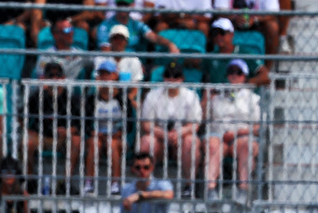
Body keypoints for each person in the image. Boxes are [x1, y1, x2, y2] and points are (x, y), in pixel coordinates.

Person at [138, 61, 202, 197]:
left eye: (176, 76)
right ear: (163, 77)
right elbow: (147, 125)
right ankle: (146, 183)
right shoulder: (153, 95)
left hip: (181, 139)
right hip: (160, 139)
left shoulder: (191, 96)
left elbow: (195, 124)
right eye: (168, 75)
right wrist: (163, 134)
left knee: (191, 141)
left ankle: (189, 185)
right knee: (147, 141)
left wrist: (179, 133)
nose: (171, 79)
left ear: (182, 79)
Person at [204, 59, 262, 201]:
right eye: (231, 72)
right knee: (212, 145)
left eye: (239, 73)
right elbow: (202, 119)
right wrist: (206, 97)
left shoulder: (253, 99)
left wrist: (238, 133)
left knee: (246, 145)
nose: (234, 76)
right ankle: (210, 189)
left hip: (242, 135)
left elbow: (259, 127)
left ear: (245, 76)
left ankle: (243, 190)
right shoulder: (216, 97)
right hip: (218, 136)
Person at [23, 60, 82, 193]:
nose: (54, 79)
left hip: (61, 139)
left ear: (63, 78)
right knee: (26, 142)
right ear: (44, 78)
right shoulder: (37, 96)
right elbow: (22, 116)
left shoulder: (70, 97)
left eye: (57, 76)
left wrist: (68, 131)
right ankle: (30, 180)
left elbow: (79, 125)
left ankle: (65, 182)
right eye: (51, 76)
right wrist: (29, 131)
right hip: (41, 137)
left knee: (76, 140)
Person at [82, 59, 130, 195]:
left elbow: (130, 123)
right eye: (102, 74)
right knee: (94, 143)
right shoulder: (92, 99)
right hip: (98, 135)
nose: (104, 78)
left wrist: (119, 132)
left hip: (116, 137)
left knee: (112, 144)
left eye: (107, 74)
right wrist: (93, 132)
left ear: (115, 76)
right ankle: (89, 182)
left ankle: (115, 183)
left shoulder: (122, 98)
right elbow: (85, 123)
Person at [97, 0, 181, 53]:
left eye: (126, 4)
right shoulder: (105, 25)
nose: (123, 7)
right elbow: (106, 51)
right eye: (120, 4)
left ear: (133, 4)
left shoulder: (136, 24)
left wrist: (170, 44)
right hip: (113, 62)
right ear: (116, 4)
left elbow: (154, 37)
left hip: (134, 63)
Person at [213, 0, 280, 59]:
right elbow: (220, 11)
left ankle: (267, 68)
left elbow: (273, 13)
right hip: (231, 22)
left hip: (257, 23)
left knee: (272, 26)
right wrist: (235, 17)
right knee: (219, 24)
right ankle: (218, 62)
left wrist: (254, 19)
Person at [205, 19, 270, 86]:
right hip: (218, 95)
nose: (218, 36)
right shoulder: (210, 57)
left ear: (231, 34)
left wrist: (244, 84)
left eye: (222, 32)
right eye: (215, 33)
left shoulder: (244, 53)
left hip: (239, 94)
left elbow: (265, 76)